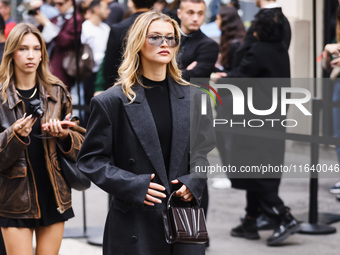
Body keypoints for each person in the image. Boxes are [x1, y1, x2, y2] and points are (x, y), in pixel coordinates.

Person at [77, 11, 215, 255]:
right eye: (155, 38)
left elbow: (202, 152)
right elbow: (91, 160)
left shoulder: (195, 97)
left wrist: (192, 181)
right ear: (138, 42)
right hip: (135, 222)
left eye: (171, 38)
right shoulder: (113, 101)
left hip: (183, 220)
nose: (165, 44)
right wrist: (134, 185)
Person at [0, 23, 84, 254]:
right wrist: (14, 136)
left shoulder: (57, 92)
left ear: (42, 54)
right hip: (15, 197)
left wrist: (65, 135)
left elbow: (82, 148)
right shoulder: (1, 96)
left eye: (36, 49)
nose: (30, 55)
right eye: (23, 48)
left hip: (53, 191)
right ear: (11, 53)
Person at [221, 9, 300, 246]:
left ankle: (284, 217)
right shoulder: (279, 51)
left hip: (254, 122)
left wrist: (218, 79)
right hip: (274, 120)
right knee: (259, 170)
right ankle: (250, 220)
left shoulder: (257, 51)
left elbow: (238, 80)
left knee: (256, 173)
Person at [211, 5, 245, 190]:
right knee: (224, 135)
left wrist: (221, 76)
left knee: (227, 136)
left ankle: (232, 176)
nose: (216, 21)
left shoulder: (236, 43)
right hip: (226, 96)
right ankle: (231, 175)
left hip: (231, 98)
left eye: (218, 18)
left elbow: (239, 74)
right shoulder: (230, 41)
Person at [100, 0, 157, 91]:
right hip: (155, 84)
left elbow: (109, 67)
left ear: (131, 2)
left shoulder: (118, 28)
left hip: (124, 86)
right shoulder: (160, 27)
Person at [33, 0, 83, 91]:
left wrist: (47, 24)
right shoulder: (57, 18)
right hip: (48, 62)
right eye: (55, 4)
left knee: (58, 93)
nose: (57, 7)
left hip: (63, 65)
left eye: (60, 4)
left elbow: (65, 41)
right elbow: (39, 35)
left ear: (70, 2)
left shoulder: (77, 19)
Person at [81, 0, 110, 122]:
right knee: (90, 107)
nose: (108, 10)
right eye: (105, 7)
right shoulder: (86, 26)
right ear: (96, 9)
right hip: (90, 72)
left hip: (104, 73)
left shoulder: (106, 28)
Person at [177, 0, 219, 82]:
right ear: (179, 14)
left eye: (200, 13)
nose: (195, 18)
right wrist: (184, 72)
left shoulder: (209, 45)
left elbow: (196, 77)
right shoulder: (169, 39)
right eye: (190, 12)